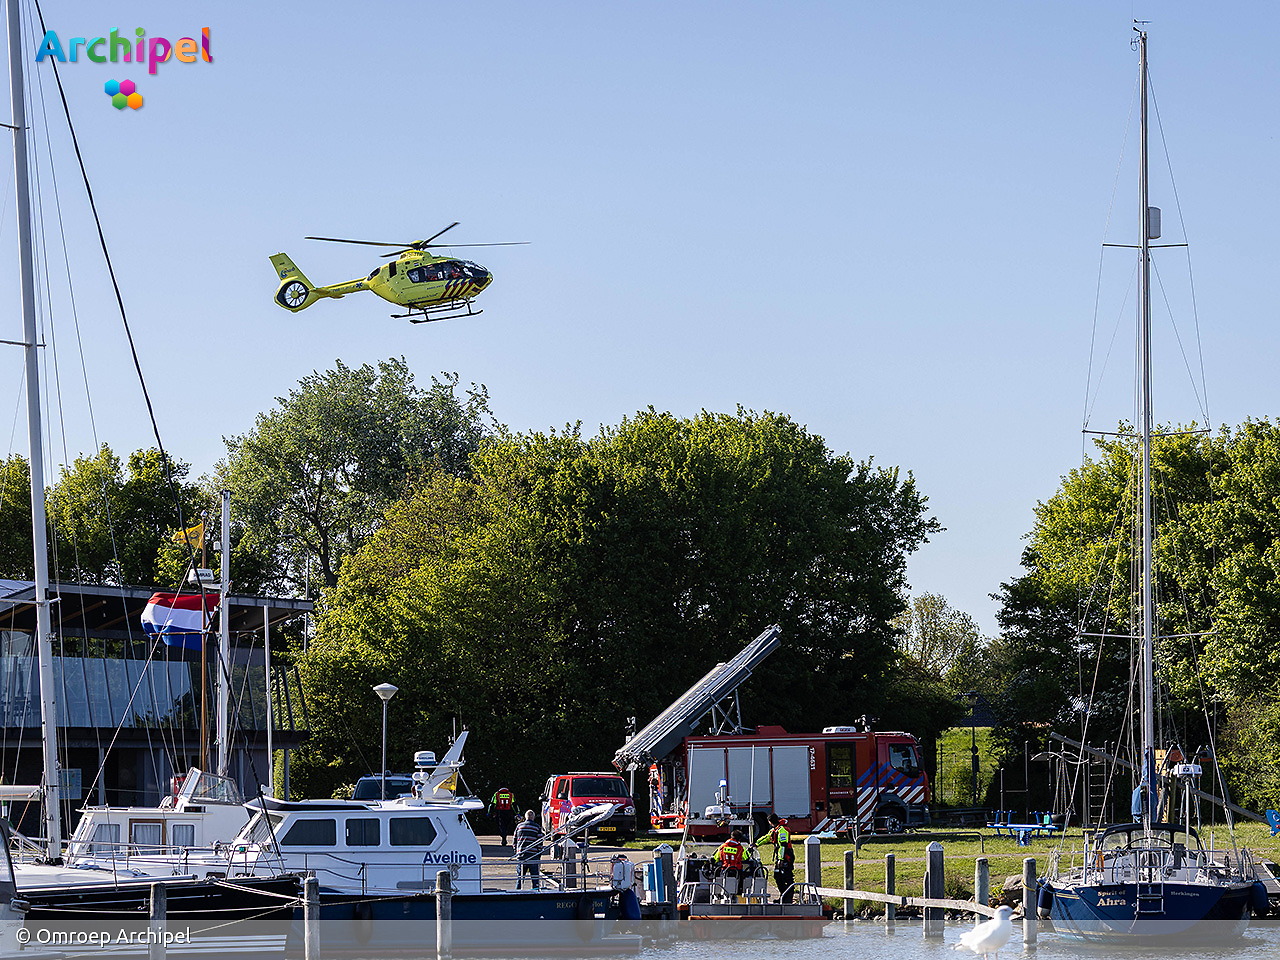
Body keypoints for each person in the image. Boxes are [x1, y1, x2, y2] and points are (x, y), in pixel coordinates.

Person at [755, 813, 795, 903]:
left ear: (769, 822)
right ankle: (783, 896)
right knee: (778, 876)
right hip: (780, 857)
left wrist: (781, 859)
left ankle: (788, 899)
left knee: (787, 877)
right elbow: (767, 837)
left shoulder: (782, 830)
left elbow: (783, 846)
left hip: (786, 857)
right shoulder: (775, 830)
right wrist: (756, 844)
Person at [513, 810, 543, 890]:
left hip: (521, 855)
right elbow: (540, 842)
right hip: (533, 855)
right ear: (533, 817)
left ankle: (517, 893)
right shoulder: (537, 827)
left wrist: (517, 851)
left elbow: (514, 841)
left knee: (520, 878)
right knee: (535, 878)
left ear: (525, 817)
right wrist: (539, 853)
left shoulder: (519, 826)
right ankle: (536, 894)